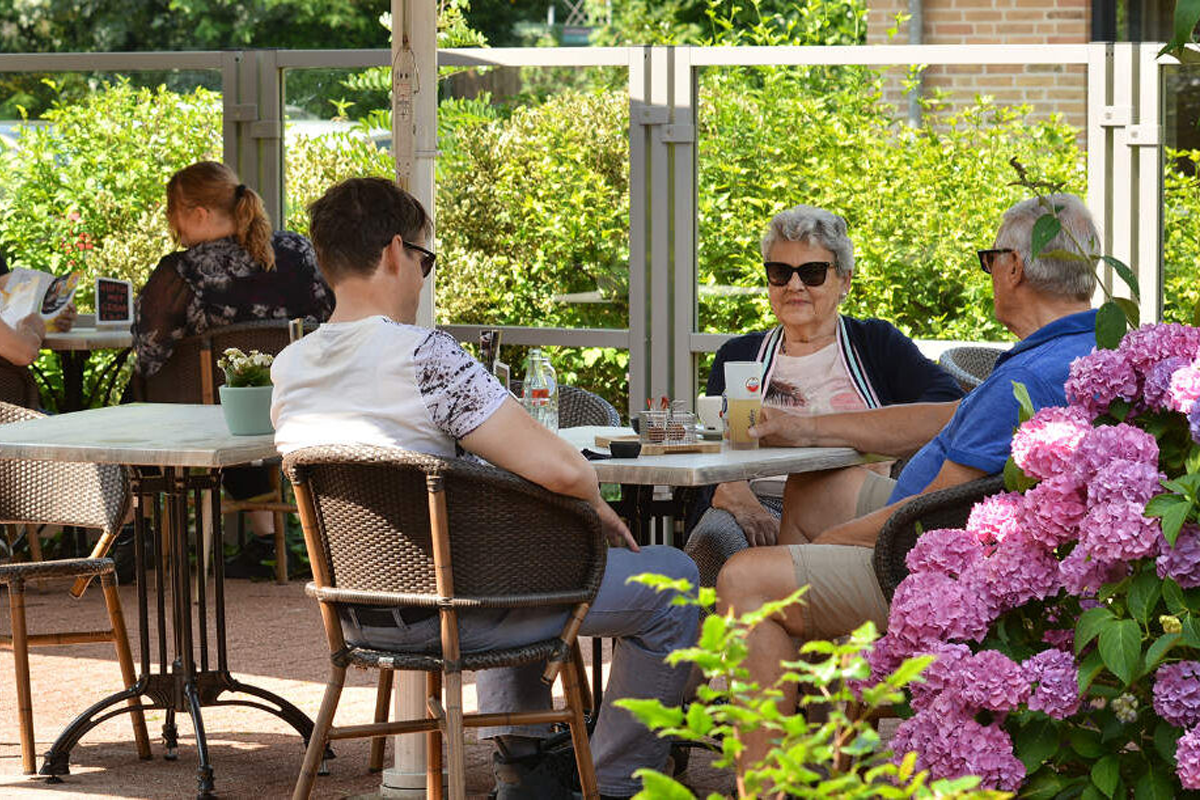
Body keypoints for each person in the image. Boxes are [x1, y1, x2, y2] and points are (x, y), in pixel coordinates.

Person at [270, 176, 699, 800]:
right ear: (395, 253)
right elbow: (563, 469)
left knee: (517, 551)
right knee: (673, 580)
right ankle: (610, 783)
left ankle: (525, 764)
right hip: (461, 611)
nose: (421, 278)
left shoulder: (291, 368)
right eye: (424, 260)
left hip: (361, 613)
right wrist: (597, 505)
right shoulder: (424, 355)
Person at [716, 193, 1101, 776]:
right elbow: (947, 421)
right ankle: (836, 741)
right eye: (779, 272)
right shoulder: (1081, 347)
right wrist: (806, 430)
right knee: (815, 487)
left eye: (992, 258)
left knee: (746, 578)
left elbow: (929, 513)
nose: (794, 284)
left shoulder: (1024, 373)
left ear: (1014, 268)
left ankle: (766, 783)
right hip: (962, 532)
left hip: (934, 563)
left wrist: (836, 543)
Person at [685, 205, 961, 587]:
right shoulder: (738, 355)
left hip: (848, 504)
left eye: (812, 273)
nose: (794, 286)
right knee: (711, 543)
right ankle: (710, 648)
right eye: (780, 273)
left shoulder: (876, 345)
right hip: (759, 501)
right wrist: (735, 495)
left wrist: (883, 452)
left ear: (844, 280)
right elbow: (715, 441)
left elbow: (944, 407)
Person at [131, 161, 335, 577]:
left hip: (206, 418)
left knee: (137, 402)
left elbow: (149, 351)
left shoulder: (183, 272)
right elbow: (332, 317)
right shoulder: (298, 252)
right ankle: (268, 542)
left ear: (198, 214)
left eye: (174, 213)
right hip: (293, 406)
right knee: (245, 393)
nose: (173, 226)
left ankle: (140, 532)